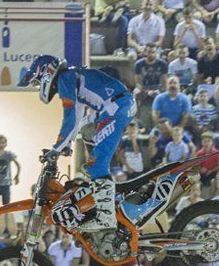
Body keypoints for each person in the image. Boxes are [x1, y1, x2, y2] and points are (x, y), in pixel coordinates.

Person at [19, 55, 134, 232]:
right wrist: (67, 144)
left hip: (115, 108)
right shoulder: (71, 77)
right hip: (117, 105)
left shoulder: (65, 78)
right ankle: (99, 182)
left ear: (46, 73)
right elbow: (78, 117)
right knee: (86, 126)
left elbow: (70, 117)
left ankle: (105, 217)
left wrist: (56, 148)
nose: (38, 86)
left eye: (37, 81)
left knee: (96, 166)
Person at [0, 134, 21, 210]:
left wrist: (17, 176)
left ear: (6, 144)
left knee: (6, 206)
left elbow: (18, 165)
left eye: (2, 142)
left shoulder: (9, 154)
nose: (1, 145)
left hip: (5, 184)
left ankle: (6, 221)